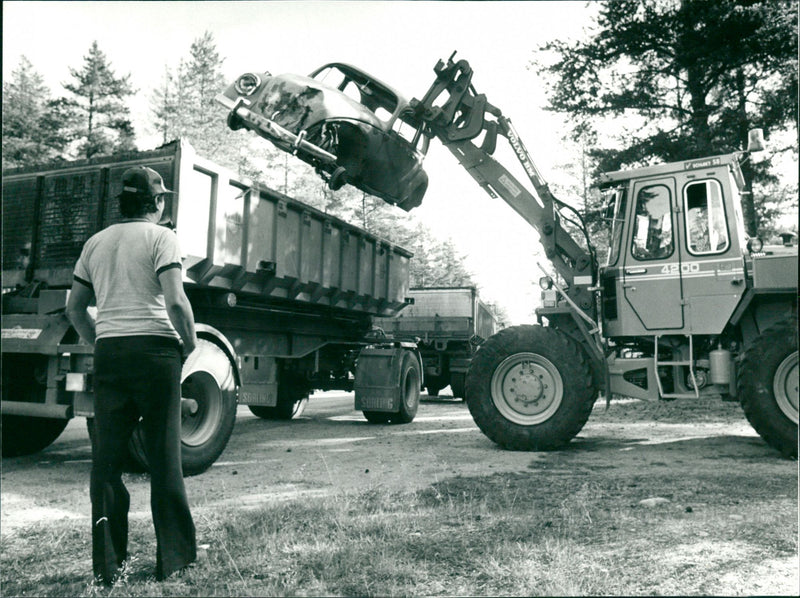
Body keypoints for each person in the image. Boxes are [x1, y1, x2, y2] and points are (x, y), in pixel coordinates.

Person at [66, 166, 198, 585]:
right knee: (164, 460)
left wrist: (98, 340)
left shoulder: (95, 242)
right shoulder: (162, 238)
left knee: (105, 462)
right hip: (156, 352)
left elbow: (75, 308)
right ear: (157, 203)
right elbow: (176, 302)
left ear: (121, 203)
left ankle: (108, 568)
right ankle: (174, 561)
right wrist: (189, 346)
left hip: (111, 352)